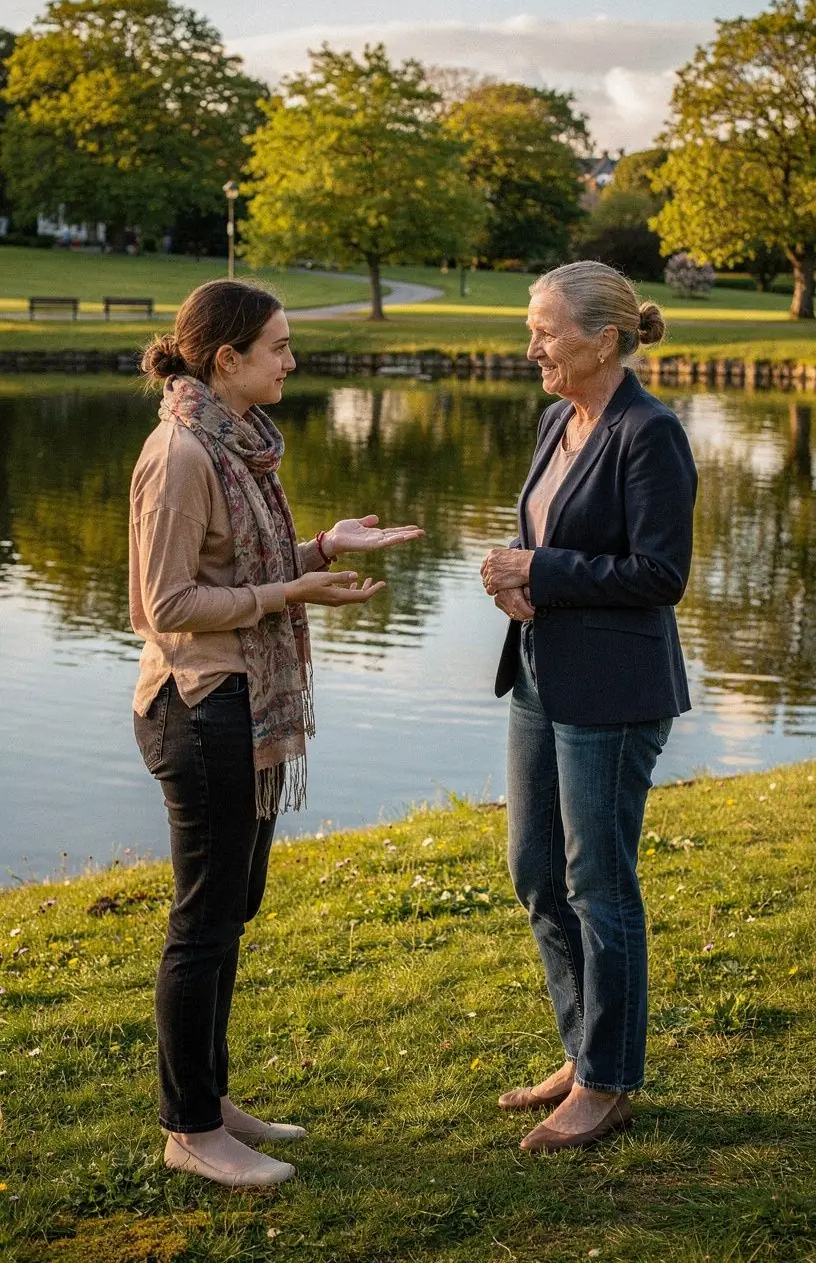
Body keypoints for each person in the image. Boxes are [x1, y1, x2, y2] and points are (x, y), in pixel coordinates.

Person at [130, 278, 423, 1188]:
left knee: (232, 909)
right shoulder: (183, 455)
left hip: (239, 704)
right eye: (279, 347)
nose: (292, 360)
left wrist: (322, 552)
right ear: (227, 360)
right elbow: (165, 606)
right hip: (198, 701)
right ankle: (189, 1128)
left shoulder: (237, 449)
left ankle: (210, 1100)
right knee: (204, 920)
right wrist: (287, 594)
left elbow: (235, 573)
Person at [480, 261, 697, 1154]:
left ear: (603, 340)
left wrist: (545, 573)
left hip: (612, 692)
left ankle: (608, 1083)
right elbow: (550, 540)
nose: (531, 344)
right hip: (539, 675)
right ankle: (583, 1049)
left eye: (544, 330)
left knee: (599, 887)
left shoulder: (650, 433)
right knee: (536, 871)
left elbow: (661, 574)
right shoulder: (554, 419)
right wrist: (515, 580)